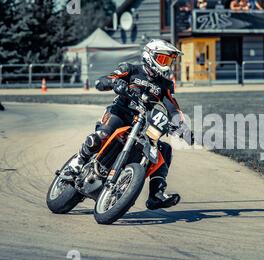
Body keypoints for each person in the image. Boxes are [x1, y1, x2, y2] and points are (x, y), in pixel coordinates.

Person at [67, 39, 190, 210]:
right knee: (102, 136)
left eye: (168, 61)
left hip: (142, 123)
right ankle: (77, 164)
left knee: (164, 150)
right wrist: (114, 83)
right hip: (120, 113)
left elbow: (173, 108)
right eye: (163, 59)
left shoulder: (165, 84)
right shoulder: (131, 69)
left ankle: (156, 195)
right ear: (149, 56)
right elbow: (101, 81)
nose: (166, 65)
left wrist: (182, 127)